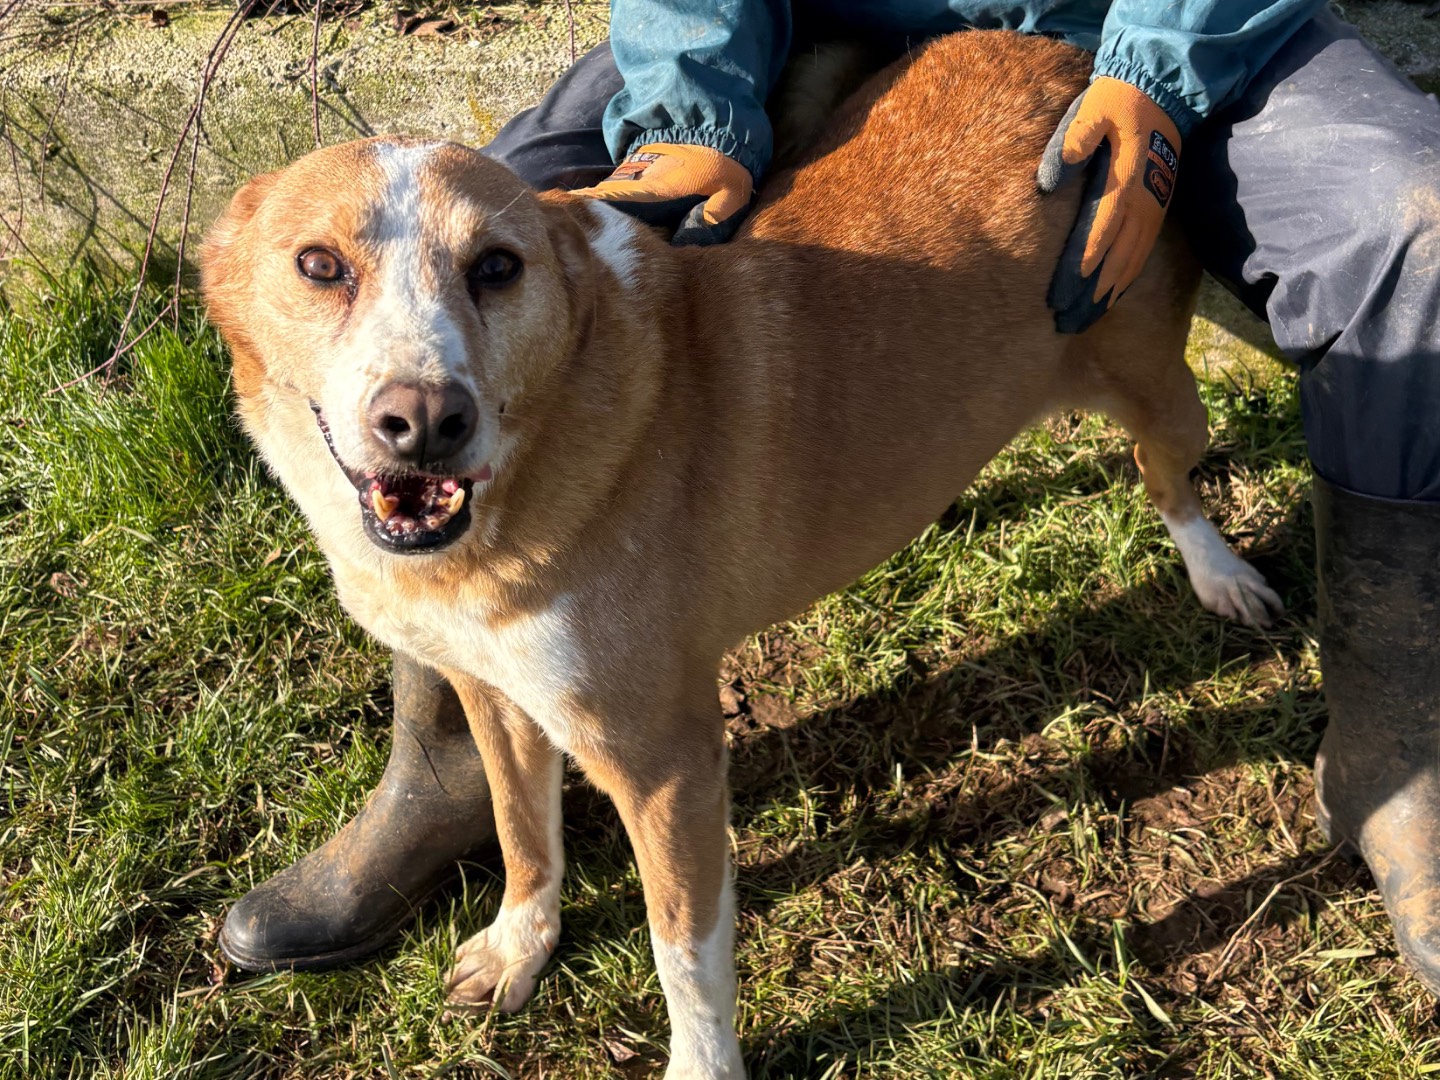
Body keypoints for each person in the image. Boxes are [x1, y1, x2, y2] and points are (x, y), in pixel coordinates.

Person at [221, 0, 1440, 999]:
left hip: (1155, 24)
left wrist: (1163, 63)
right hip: (814, 7)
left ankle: (1392, 736)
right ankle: (453, 768)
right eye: (322, 271)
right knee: (511, 192)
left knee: (1412, 226)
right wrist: (693, 96)